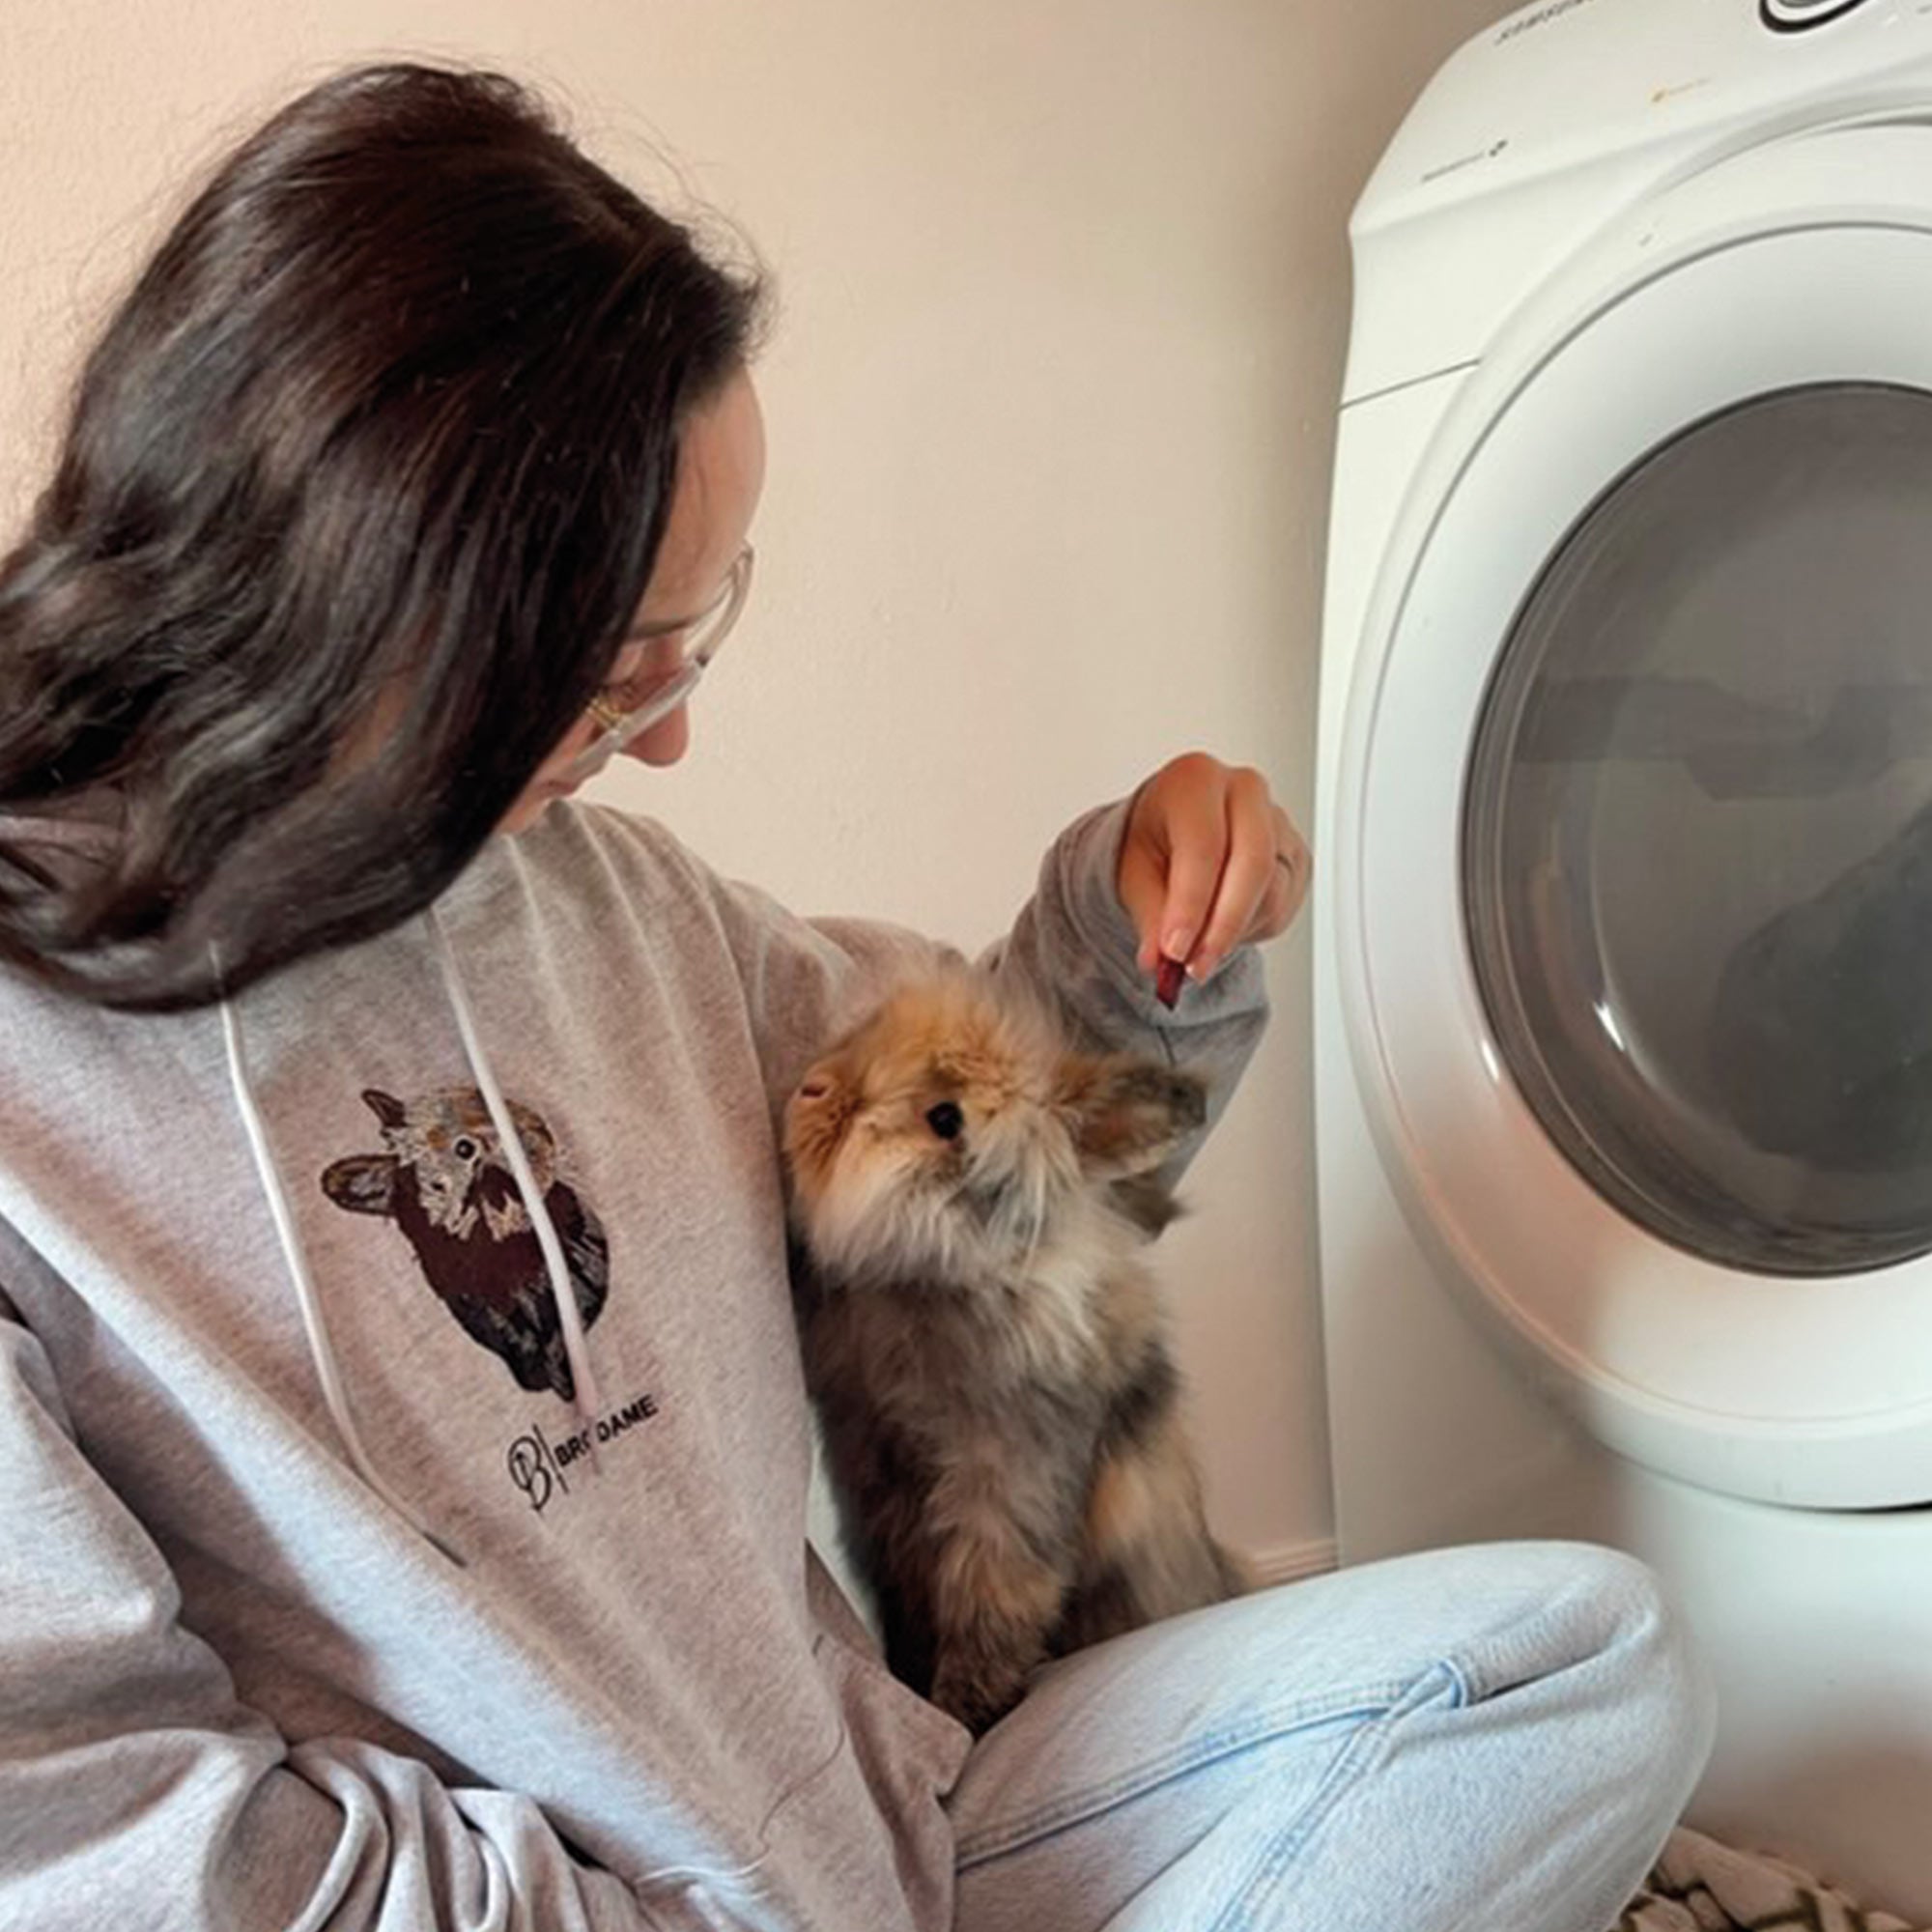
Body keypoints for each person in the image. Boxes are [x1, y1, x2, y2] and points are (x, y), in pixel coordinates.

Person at [0, 62, 1711, 1932]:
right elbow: (104, 1836)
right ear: (348, 594)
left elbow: (1013, 1159)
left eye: (697, 630)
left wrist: (1144, 921)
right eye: (613, 664)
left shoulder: (607, 909)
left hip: (887, 1837)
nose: (669, 737)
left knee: (1572, 1653)